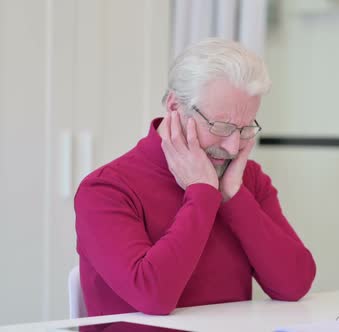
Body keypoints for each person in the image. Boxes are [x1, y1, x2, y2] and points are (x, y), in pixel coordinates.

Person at [74, 38, 316, 316]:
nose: (233, 147)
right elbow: (154, 297)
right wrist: (202, 194)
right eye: (221, 126)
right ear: (175, 107)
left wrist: (233, 197)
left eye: (246, 128)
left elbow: (295, 284)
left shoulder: (245, 178)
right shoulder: (107, 189)